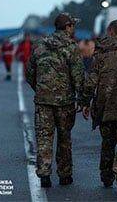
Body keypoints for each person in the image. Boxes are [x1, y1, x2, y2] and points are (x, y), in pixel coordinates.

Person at [25, 13, 84, 188]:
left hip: (43, 101)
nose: (74, 28)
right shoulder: (71, 47)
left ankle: (44, 174)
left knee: (44, 137)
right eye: (73, 25)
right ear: (67, 27)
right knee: (65, 138)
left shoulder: (40, 45)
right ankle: (65, 175)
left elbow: (29, 73)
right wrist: (82, 98)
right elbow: (78, 76)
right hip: (65, 102)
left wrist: (41, 89)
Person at [82, 20, 117, 191]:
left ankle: (106, 175)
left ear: (110, 31)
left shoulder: (102, 52)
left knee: (107, 141)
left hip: (104, 105)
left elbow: (92, 79)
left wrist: (85, 101)